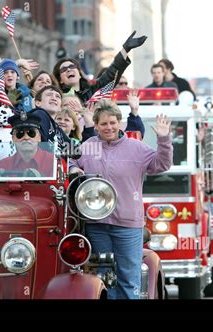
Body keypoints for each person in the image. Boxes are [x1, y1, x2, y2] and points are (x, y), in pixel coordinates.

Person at [69, 99, 173, 299]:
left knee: (128, 277)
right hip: (96, 223)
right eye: (103, 124)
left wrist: (164, 139)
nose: (109, 127)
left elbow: (161, 164)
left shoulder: (136, 148)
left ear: (120, 122)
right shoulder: (90, 145)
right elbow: (73, 159)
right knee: (104, 276)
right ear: (96, 126)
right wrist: (74, 168)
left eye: (112, 122)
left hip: (127, 224)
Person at [53, 31, 147, 103]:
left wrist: (125, 49)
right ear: (60, 79)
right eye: (64, 69)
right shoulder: (57, 97)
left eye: (72, 66)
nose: (69, 69)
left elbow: (112, 72)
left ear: (80, 74)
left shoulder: (94, 89)